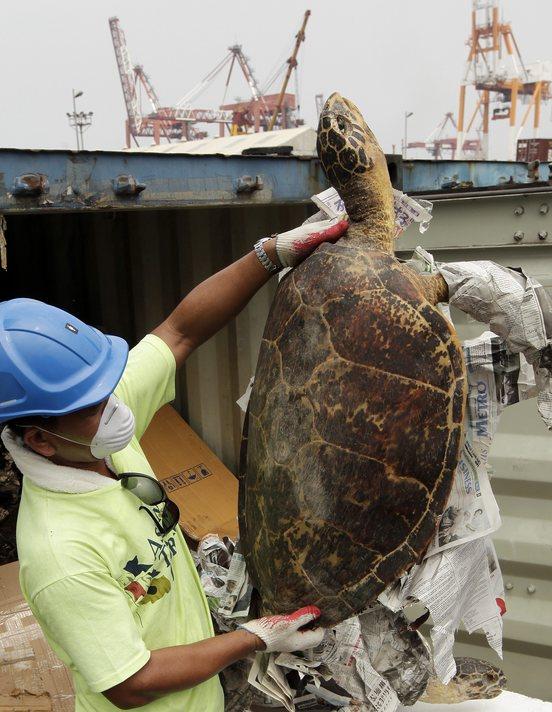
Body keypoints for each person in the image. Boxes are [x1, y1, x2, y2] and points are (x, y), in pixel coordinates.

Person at [0, 217, 348, 711]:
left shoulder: (92, 434)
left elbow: (180, 332)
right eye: (96, 404)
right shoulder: (61, 552)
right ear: (40, 439)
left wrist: (270, 254)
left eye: (109, 386)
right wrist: (254, 638)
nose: (118, 406)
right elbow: (131, 683)